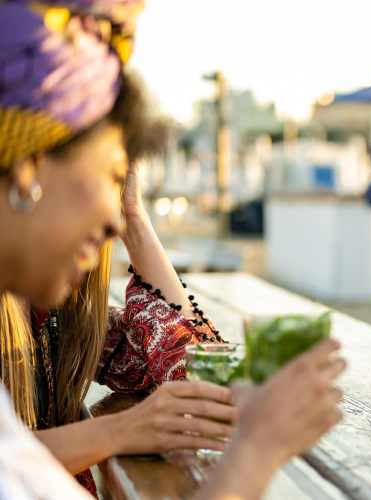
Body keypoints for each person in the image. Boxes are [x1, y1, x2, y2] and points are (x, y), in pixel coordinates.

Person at [0, 2, 344, 498]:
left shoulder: (56, 307)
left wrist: (138, 223)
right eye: (113, 176)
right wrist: (127, 431)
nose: (114, 219)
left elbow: (188, 362)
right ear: (32, 164)